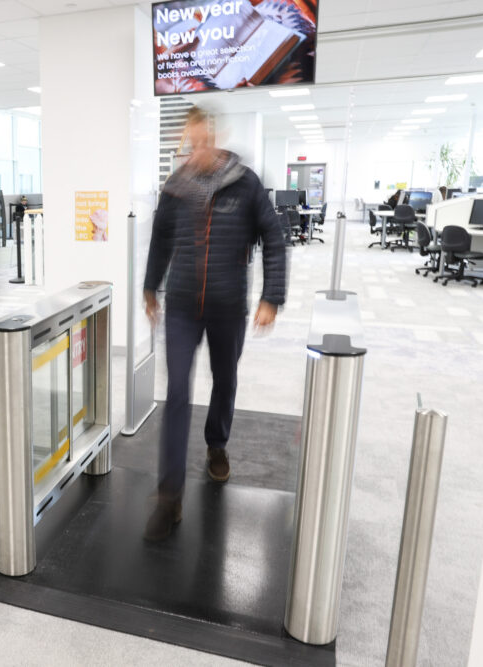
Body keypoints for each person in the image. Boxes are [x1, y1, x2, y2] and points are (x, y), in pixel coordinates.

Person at [142, 106, 287, 542]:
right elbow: (160, 240)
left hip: (228, 306)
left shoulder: (244, 182)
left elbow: (273, 238)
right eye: (192, 142)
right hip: (184, 305)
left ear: (216, 136)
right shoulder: (175, 187)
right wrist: (150, 287)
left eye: (205, 140)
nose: (198, 149)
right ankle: (169, 497)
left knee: (224, 380)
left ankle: (217, 444)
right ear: (187, 141)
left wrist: (271, 296)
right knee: (177, 393)